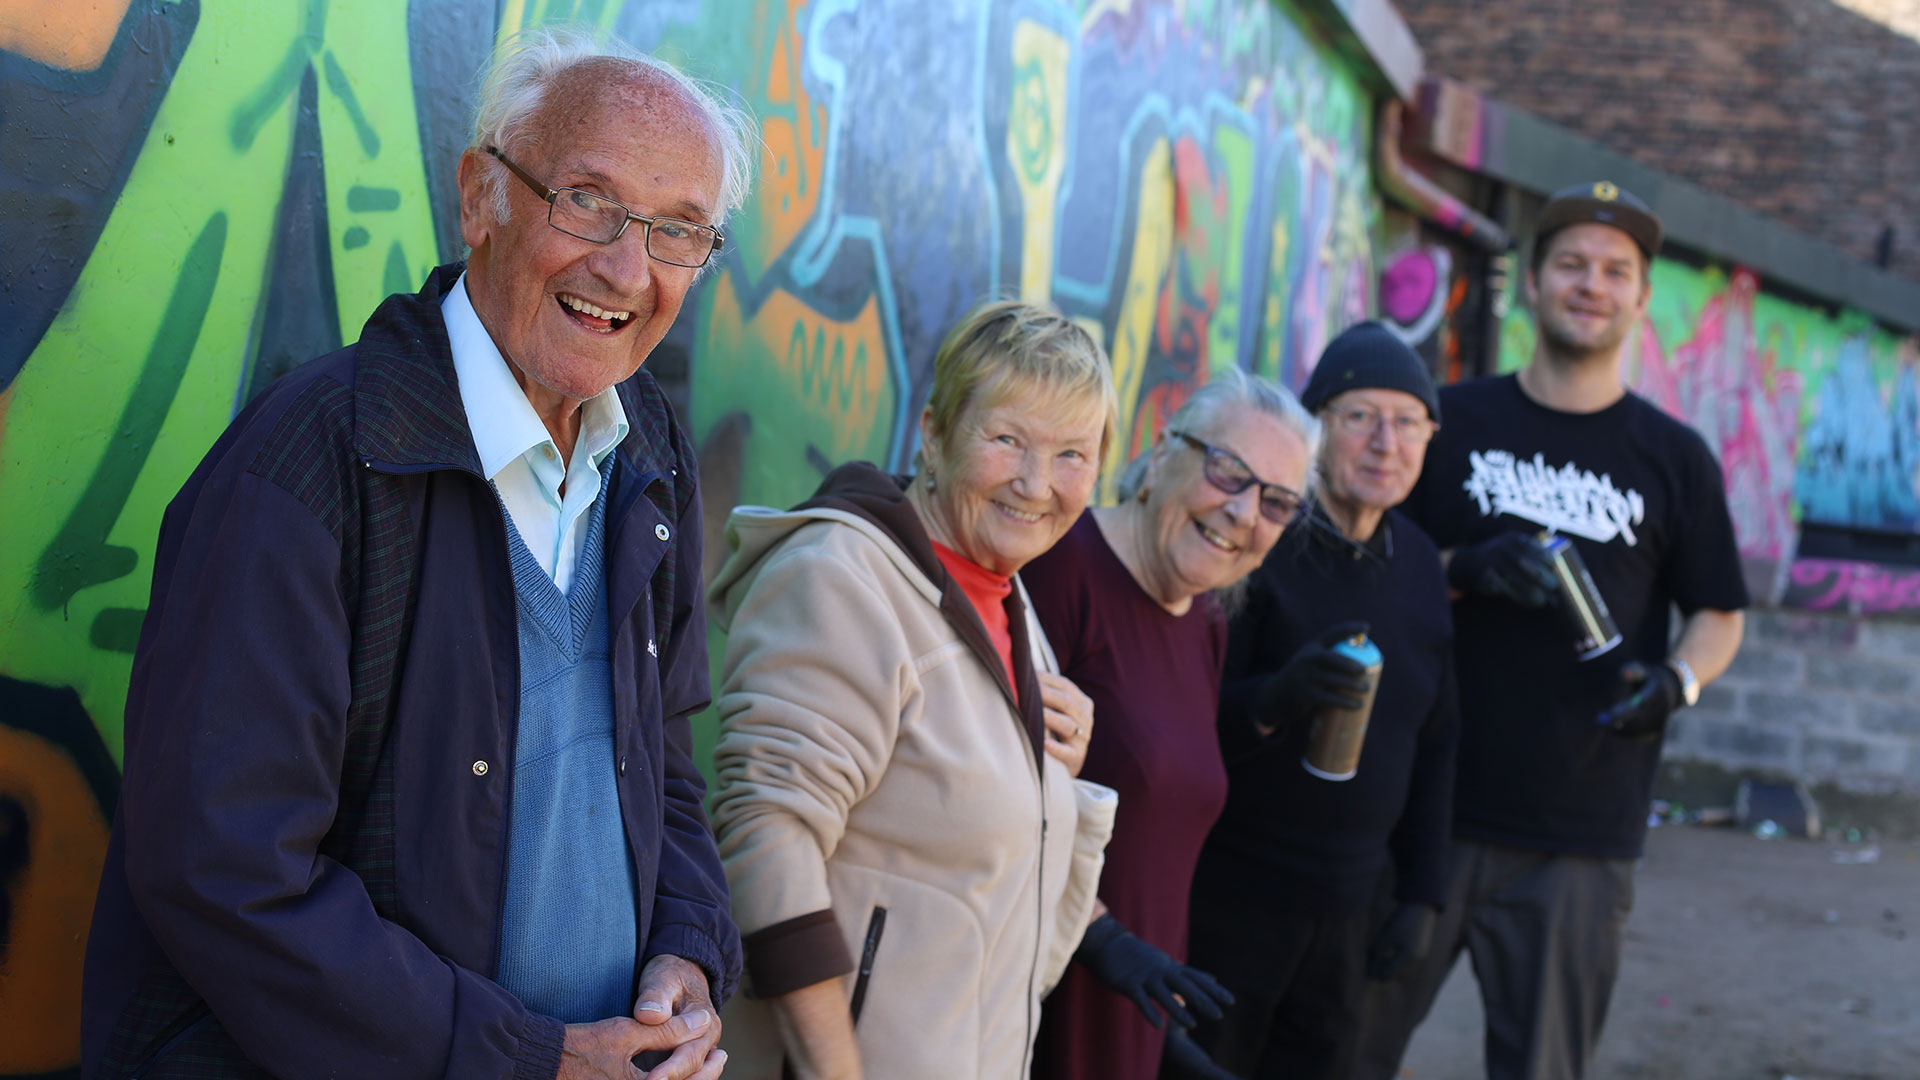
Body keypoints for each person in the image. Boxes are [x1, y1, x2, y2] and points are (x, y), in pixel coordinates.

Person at [81, 29, 756, 1080]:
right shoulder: (309, 466)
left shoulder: (647, 454)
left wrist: (690, 952)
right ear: (480, 195)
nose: (627, 268)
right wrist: (523, 1058)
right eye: (588, 201)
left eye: (678, 232)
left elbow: (663, 770)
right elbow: (224, 871)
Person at [1360, 182, 1749, 1080]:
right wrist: (1462, 569)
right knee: (1348, 1047)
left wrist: (1677, 683)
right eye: (1570, 263)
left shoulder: (1674, 457)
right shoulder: (1449, 423)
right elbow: (1372, 568)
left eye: (1617, 271)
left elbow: (1720, 614)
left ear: (1642, 301)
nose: (1591, 284)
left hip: (1580, 834)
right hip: (1422, 812)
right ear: (1530, 283)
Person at [706, 300, 1122, 1079]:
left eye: (1073, 453)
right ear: (933, 433)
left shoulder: (1006, 598)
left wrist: (1057, 781)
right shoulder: (841, 578)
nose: (1037, 485)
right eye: (1007, 440)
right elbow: (767, 838)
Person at [1179, 322, 1458, 1080]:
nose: (1384, 443)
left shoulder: (1422, 572)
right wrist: (1274, 697)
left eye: (1407, 423)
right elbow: (1186, 722)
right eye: (1360, 416)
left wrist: (1423, 897)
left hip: (1353, 909)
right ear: (1316, 429)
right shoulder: (1259, 546)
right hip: (1234, 899)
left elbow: (1437, 741)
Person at [1025, 367, 1318, 1080]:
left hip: (1134, 1007)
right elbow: (992, 800)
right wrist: (1104, 943)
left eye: (1277, 502)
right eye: (1228, 472)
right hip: (1040, 993)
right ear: (1162, 455)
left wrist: (1165, 1044)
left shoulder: (1207, 623)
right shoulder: (1062, 569)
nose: (1245, 512)